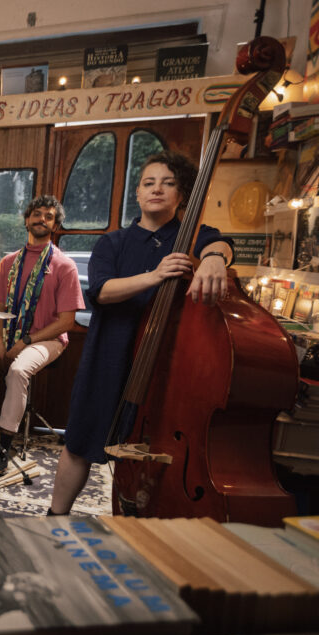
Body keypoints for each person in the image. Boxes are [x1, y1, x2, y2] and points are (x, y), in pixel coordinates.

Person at [48, 151, 234, 515]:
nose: (157, 189)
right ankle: (55, 516)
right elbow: (102, 291)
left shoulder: (192, 237)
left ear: (181, 194)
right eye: (149, 183)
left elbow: (220, 242)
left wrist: (214, 259)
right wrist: (156, 275)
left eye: (168, 183)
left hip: (166, 366)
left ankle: (143, 521)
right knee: (79, 442)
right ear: (138, 193)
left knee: (154, 449)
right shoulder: (113, 242)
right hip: (109, 356)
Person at [0, 196, 84, 475]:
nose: (42, 219)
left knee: (18, 371)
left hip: (48, 339)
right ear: (27, 220)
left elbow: (66, 322)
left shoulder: (64, 265)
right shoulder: (8, 262)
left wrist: (24, 342)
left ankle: (3, 447)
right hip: (8, 334)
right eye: (37, 214)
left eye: (49, 216)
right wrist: (0, 343)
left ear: (55, 225)